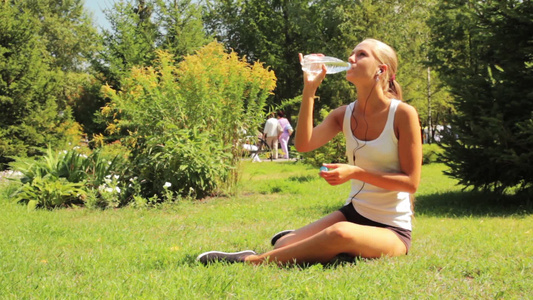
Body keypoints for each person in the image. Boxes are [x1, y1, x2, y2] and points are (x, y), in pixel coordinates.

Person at [197, 38, 422, 265]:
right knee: (283, 245)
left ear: (380, 70)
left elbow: (411, 183)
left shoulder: (403, 114)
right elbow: (304, 145)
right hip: (355, 212)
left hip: (391, 228)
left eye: (361, 55)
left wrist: (355, 172)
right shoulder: (343, 114)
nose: (351, 59)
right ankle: (318, 243)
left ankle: (251, 261)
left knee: (341, 233)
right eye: (352, 54)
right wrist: (309, 90)